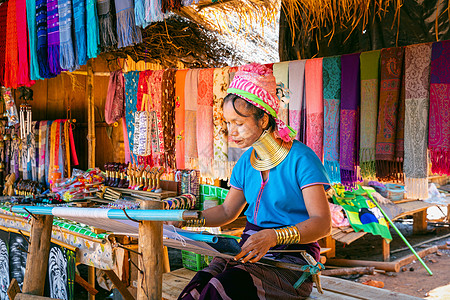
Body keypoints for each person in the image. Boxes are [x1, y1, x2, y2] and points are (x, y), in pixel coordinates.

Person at [178, 63, 332, 300]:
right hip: (250, 251)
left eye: (239, 123)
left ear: (263, 118)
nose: (232, 132)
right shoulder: (245, 163)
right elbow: (227, 210)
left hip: (292, 261)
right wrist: (182, 220)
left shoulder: (302, 159)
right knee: (200, 286)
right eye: (228, 123)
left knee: (224, 287)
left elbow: (322, 224)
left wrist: (274, 236)